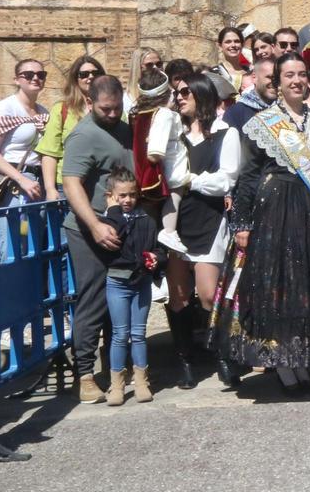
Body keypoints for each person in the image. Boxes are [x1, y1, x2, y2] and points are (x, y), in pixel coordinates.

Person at [213, 52, 310, 394]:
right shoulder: (262, 124)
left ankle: (303, 355)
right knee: (280, 287)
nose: (296, 80)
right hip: (275, 212)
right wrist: (241, 223)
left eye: (301, 74)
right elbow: (249, 177)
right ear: (278, 82)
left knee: (309, 287)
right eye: (288, 75)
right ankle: (283, 362)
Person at [163, 73, 241, 389]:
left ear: (201, 95)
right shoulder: (172, 134)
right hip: (175, 220)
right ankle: (185, 360)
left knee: (209, 294)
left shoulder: (226, 134)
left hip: (209, 219)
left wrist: (189, 180)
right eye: (176, 93)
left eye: (185, 92)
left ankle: (222, 353)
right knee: (179, 296)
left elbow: (227, 179)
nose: (179, 97)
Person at [61, 75, 133, 402]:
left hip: (117, 227)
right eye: (106, 109)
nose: (113, 114)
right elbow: (72, 184)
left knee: (118, 298)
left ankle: (115, 367)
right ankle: (85, 375)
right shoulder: (83, 135)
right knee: (92, 300)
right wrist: (94, 225)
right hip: (88, 229)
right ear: (90, 103)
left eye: (117, 107)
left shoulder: (122, 127)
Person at [98, 167, 164, 405]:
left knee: (138, 334)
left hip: (141, 281)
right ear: (111, 196)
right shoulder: (107, 220)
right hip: (117, 281)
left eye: (132, 195)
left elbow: (158, 246)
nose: (128, 200)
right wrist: (114, 210)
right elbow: (117, 234)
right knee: (119, 334)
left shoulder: (146, 219)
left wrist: (158, 257)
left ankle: (142, 380)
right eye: (122, 195)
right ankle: (117, 384)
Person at [127, 67, 188, 254]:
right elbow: (155, 151)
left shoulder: (138, 113)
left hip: (145, 170)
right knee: (176, 193)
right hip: (169, 165)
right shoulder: (164, 114)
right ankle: (169, 231)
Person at [0, 59, 49, 210]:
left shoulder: (43, 111)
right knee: (11, 232)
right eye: (28, 74)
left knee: (34, 233)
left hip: (37, 182)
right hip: (12, 183)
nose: (35, 78)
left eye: (41, 74)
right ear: (16, 80)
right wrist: (21, 179)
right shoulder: (5, 109)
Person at [37, 55, 104, 199]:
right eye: (84, 74)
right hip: (68, 185)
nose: (91, 77)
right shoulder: (62, 109)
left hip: (104, 184)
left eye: (96, 73)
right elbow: (50, 152)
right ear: (76, 79)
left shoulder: (114, 110)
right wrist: (50, 189)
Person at [223, 57, 276, 132]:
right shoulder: (235, 113)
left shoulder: (286, 107)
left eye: (277, 78)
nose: (274, 82)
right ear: (254, 78)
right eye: (270, 77)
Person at [211, 26, 248, 92]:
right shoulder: (213, 74)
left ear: (242, 45)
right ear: (220, 46)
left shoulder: (250, 72)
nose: (233, 45)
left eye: (237, 41)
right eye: (228, 42)